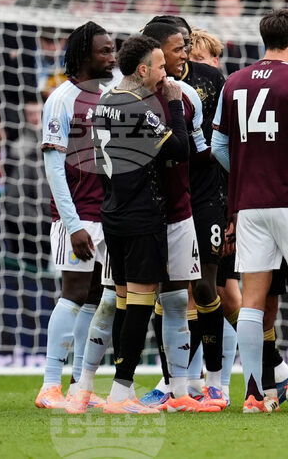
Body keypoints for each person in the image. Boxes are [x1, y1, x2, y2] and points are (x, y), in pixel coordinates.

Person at [211, 9, 288, 414]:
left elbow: (218, 146)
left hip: (249, 203)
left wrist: (247, 171)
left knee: (253, 300)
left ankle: (256, 394)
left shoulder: (234, 81)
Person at [92, 35, 190, 414]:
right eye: (161, 66)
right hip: (141, 215)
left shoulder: (105, 103)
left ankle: (118, 388)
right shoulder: (137, 107)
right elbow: (178, 150)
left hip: (113, 211)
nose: (167, 72)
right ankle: (121, 392)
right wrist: (176, 105)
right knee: (140, 305)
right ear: (143, 69)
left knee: (122, 301)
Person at [137, 21, 218, 412]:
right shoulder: (125, 99)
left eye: (186, 46)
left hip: (182, 211)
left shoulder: (187, 94)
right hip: (136, 214)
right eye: (177, 47)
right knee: (118, 301)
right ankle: (93, 386)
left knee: (178, 298)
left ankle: (181, 388)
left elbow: (197, 151)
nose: (184, 52)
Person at [34, 23, 115, 411]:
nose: (112, 58)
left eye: (113, 50)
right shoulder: (61, 99)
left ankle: (79, 385)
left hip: (110, 213)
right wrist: (73, 223)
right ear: (83, 56)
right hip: (78, 215)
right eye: (104, 51)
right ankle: (50, 385)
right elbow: (53, 166)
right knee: (75, 292)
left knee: (99, 298)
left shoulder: (113, 96)